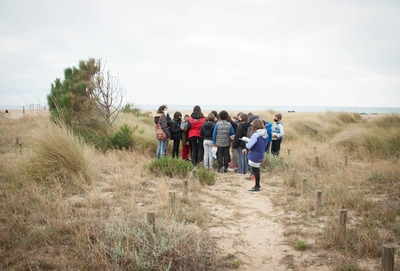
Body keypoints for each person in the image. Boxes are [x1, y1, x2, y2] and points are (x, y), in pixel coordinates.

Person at [245, 119, 268, 192]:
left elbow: (249, 146)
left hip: (254, 154)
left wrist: (247, 143)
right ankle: (257, 185)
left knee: (256, 170)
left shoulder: (256, 135)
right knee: (256, 169)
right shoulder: (265, 134)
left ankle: (257, 186)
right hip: (260, 153)